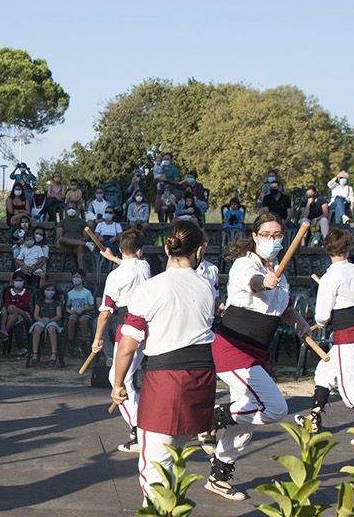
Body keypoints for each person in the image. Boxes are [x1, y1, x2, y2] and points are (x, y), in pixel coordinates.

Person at [208, 213, 313, 501]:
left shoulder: (281, 273)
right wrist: (265, 281)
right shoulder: (246, 266)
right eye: (266, 234)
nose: (272, 239)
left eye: (277, 235)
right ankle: (209, 418)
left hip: (256, 352)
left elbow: (284, 307)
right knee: (274, 408)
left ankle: (220, 471)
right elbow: (255, 283)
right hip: (233, 347)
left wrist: (299, 323)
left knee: (247, 418)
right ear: (255, 237)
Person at [111, 220, 218, 500]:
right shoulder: (208, 288)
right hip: (201, 380)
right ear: (200, 249)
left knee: (154, 469)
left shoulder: (151, 288)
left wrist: (118, 383)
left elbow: (126, 346)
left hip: (167, 381)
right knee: (177, 458)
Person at [306, 228, 354, 436]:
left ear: (327, 249)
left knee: (347, 385)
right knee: (324, 371)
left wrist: (320, 321)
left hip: (346, 333)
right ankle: (315, 415)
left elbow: (322, 315)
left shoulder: (329, 277)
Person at [89, 229, 152, 453]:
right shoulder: (145, 266)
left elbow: (105, 312)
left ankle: (138, 430)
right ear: (140, 250)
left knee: (120, 379)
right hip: (149, 325)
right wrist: (112, 258)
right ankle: (138, 427)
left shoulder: (114, 277)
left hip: (130, 326)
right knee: (125, 377)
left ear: (121, 248)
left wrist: (97, 339)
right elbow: (131, 264)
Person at [29, 281, 65, 366]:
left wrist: (50, 320)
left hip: (53, 321)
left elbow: (59, 315)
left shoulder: (57, 302)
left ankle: (53, 354)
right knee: (37, 329)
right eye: (48, 290)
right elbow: (35, 315)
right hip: (41, 320)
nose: (50, 292)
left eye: (52, 290)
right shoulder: (39, 302)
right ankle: (34, 355)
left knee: (51, 329)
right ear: (44, 291)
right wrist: (42, 320)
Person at [0, 274, 34, 346]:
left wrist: (15, 308)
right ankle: (4, 330)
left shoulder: (26, 292)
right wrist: (11, 307)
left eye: (20, 280)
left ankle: (4, 332)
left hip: (24, 315)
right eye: (16, 280)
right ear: (13, 281)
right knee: (5, 309)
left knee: (17, 318)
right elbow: (6, 303)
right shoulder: (8, 291)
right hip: (9, 312)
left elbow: (25, 305)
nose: (18, 282)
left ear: (24, 281)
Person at [64, 273, 95, 353]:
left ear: (82, 279)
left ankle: (83, 343)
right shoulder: (70, 293)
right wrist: (70, 311)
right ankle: (70, 342)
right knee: (72, 319)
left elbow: (92, 306)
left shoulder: (87, 292)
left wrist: (83, 309)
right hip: (74, 313)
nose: (75, 279)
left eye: (77, 277)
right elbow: (67, 306)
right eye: (74, 277)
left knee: (83, 320)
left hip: (85, 313)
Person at [56, 206, 88, 273]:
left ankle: (81, 270)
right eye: (69, 208)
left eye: (73, 208)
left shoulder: (82, 222)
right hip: (65, 245)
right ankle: (82, 243)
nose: (71, 210)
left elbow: (86, 237)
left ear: (77, 210)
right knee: (61, 239)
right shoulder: (62, 222)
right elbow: (59, 236)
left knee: (80, 247)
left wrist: (77, 241)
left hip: (77, 246)